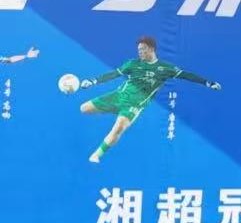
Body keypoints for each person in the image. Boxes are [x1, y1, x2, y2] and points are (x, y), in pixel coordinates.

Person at [69, 35, 221, 163]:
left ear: (152, 49)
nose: (140, 52)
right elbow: (114, 74)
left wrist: (208, 83)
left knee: (118, 128)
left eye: (143, 49)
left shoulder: (165, 68)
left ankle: (97, 155)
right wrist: (93, 81)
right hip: (117, 96)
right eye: (139, 50)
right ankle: (114, 110)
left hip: (134, 105)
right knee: (84, 109)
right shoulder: (132, 64)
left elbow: (186, 75)